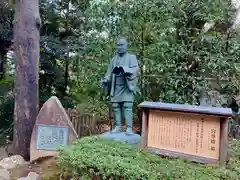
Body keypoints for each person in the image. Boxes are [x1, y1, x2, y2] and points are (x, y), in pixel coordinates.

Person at [100, 38, 140, 135]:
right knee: (116, 106)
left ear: (126, 46)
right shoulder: (114, 59)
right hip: (116, 85)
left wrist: (125, 69)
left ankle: (129, 128)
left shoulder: (131, 57)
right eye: (118, 45)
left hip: (127, 86)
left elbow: (136, 69)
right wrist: (105, 80)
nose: (119, 47)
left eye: (122, 45)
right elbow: (109, 73)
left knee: (127, 106)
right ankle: (118, 126)